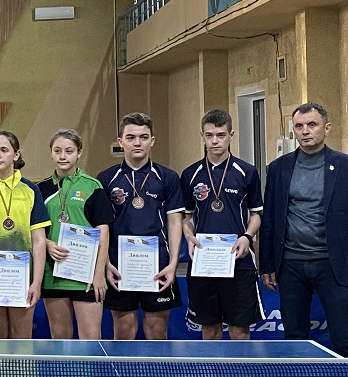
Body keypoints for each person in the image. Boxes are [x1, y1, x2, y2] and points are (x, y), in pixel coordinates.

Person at [260, 103, 348, 357]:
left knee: (346, 340)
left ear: (327, 128)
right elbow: (270, 218)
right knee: (294, 339)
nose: (305, 131)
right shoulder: (278, 168)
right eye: (299, 126)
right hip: (290, 265)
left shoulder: (347, 167)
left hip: (333, 265)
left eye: (312, 125)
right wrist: (267, 263)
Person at [98, 113, 185, 340]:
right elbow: (101, 227)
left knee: (157, 330)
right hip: (119, 266)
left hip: (158, 265)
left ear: (152, 140)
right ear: (121, 141)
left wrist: (173, 264)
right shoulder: (106, 179)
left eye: (143, 137)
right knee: (123, 330)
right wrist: (106, 264)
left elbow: (175, 222)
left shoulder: (168, 177)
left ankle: (157, 368)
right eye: (131, 137)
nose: (137, 143)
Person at [181, 110, 264, 341]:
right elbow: (186, 218)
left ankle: (241, 367)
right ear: (202, 136)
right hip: (204, 261)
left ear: (231, 135)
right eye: (209, 135)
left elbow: (256, 214)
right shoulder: (190, 174)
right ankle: (212, 367)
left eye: (220, 135)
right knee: (209, 328)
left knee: (240, 329)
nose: (215, 141)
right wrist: (189, 236)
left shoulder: (247, 172)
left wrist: (247, 237)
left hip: (239, 260)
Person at [0, 131, 50, 339]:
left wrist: (36, 282)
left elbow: (39, 240)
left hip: (23, 279)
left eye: (4, 150)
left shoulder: (30, 190)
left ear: (16, 155)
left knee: (22, 343)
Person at [37, 129, 113, 340]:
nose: (63, 156)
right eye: (57, 151)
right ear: (51, 153)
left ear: (79, 153)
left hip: (85, 276)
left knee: (90, 337)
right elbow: (34, 231)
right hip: (53, 275)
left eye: (69, 151)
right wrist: (47, 244)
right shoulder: (40, 189)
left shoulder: (93, 187)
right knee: (60, 337)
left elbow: (103, 232)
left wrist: (99, 274)